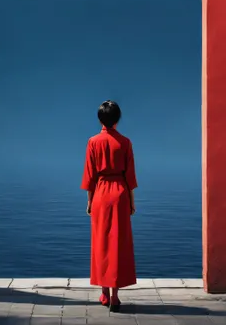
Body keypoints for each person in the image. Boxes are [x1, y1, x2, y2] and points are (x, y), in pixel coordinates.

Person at [81, 100, 137, 312]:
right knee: (118, 244)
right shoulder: (125, 142)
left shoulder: (93, 142)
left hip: (101, 194)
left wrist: (89, 201)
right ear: (118, 118)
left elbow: (90, 175)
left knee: (101, 243)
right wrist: (131, 202)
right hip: (121, 193)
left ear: (100, 119)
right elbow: (130, 176)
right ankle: (115, 296)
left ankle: (103, 292)